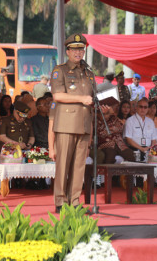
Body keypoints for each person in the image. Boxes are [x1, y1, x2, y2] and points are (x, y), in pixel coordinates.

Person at [50, 33, 95, 213]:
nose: (78, 52)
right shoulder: (59, 70)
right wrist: (82, 98)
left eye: (81, 49)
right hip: (66, 124)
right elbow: (57, 96)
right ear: (67, 51)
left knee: (79, 166)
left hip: (84, 124)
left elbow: (92, 99)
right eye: (75, 49)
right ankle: (60, 201)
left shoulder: (89, 73)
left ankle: (75, 201)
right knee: (63, 165)